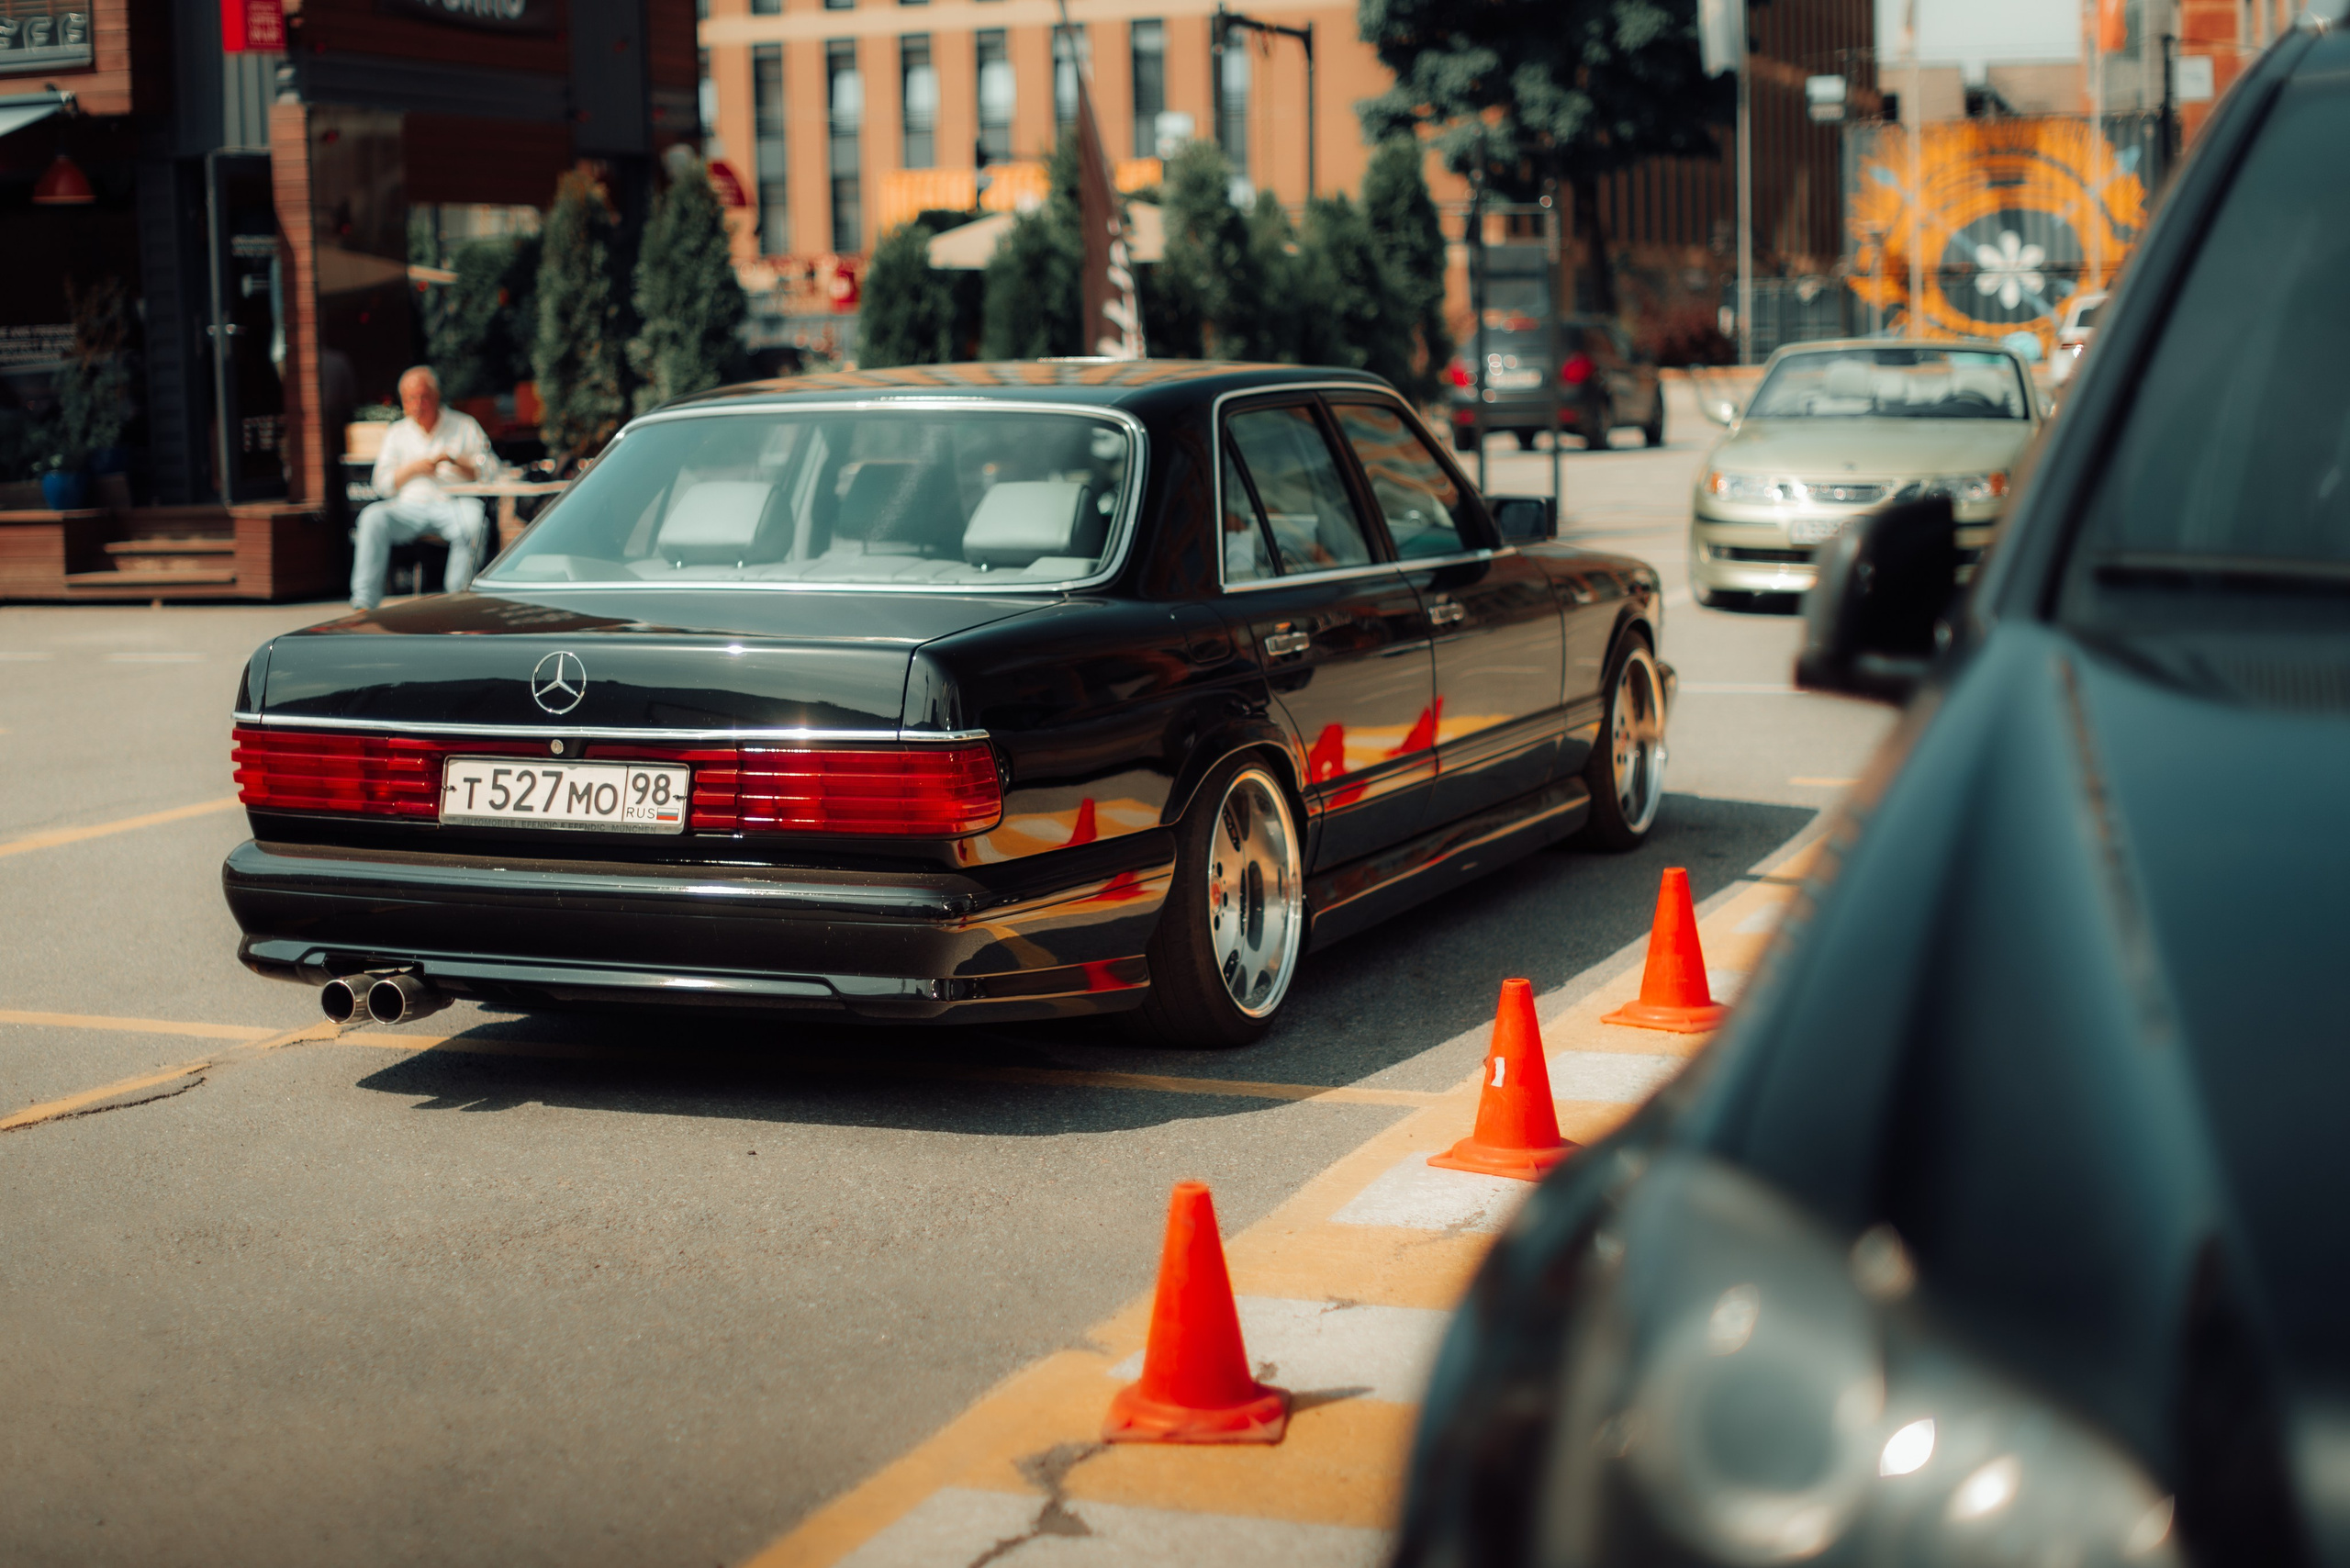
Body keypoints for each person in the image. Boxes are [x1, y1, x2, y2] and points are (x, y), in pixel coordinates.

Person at [351, 365, 494, 611]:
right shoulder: (397, 432)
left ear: (436, 396)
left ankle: (457, 598)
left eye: (423, 397)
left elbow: (491, 471)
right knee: (372, 518)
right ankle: (364, 603)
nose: (417, 404)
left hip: (454, 504)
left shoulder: (464, 425)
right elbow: (381, 485)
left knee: (475, 522)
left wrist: (455, 461)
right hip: (408, 507)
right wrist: (413, 469)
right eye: (410, 398)